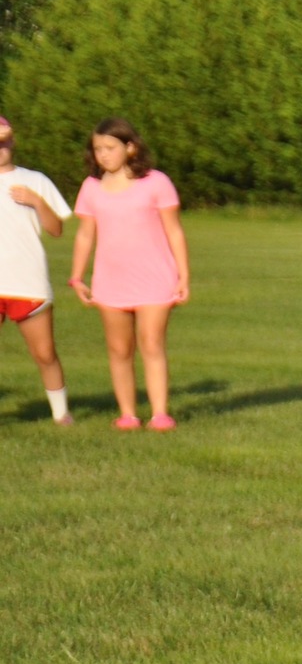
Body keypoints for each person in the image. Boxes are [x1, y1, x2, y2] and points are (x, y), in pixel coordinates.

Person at [67, 118, 187, 431]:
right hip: (110, 281)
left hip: (155, 278)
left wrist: (183, 275)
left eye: (110, 148)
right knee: (120, 349)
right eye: (97, 149)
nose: (103, 155)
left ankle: (160, 413)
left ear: (130, 148)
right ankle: (128, 414)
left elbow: (174, 231)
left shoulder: (156, 182)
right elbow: (84, 236)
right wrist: (77, 277)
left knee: (151, 344)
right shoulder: (91, 188)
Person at [0, 116, 76, 425]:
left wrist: (36, 202)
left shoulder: (35, 180)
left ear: (13, 144)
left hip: (27, 278)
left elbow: (56, 228)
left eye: (4, 143)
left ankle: (61, 414)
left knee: (45, 352)